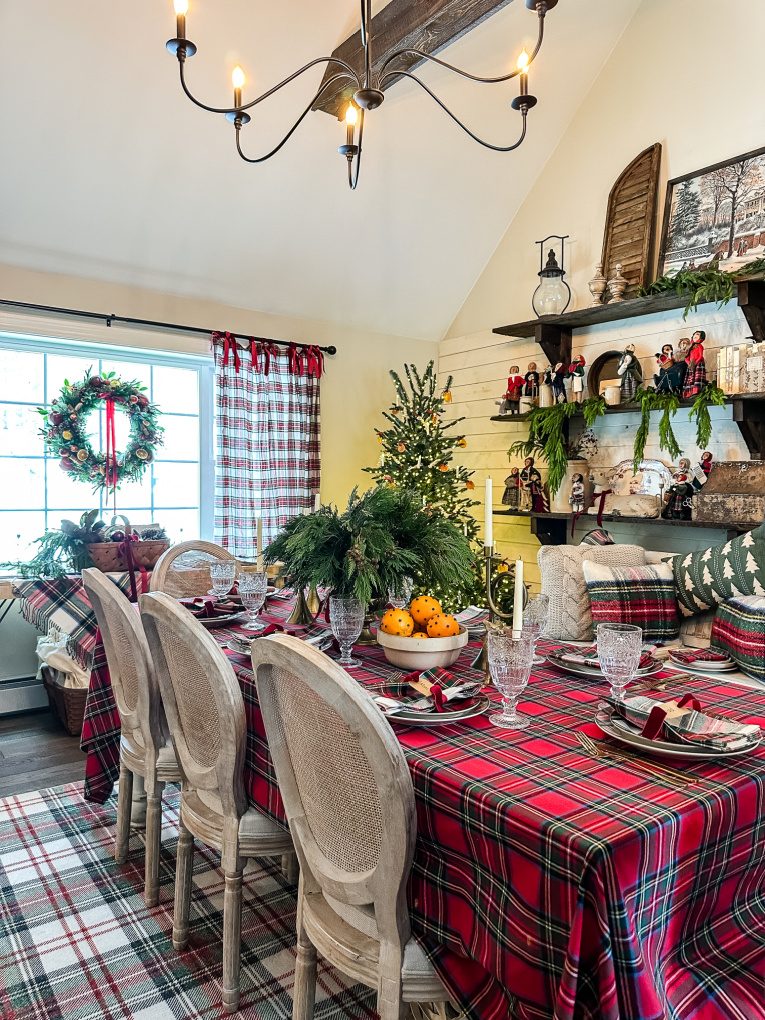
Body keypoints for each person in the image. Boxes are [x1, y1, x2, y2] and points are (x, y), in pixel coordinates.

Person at [682, 329, 707, 399]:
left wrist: (695, 363)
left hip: (698, 364)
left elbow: (700, 356)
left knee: (697, 378)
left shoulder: (699, 346)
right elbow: (686, 358)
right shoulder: (690, 348)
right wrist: (689, 363)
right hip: (691, 365)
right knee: (690, 379)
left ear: (701, 338)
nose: (695, 335)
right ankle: (689, 392)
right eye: (695, 334)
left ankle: (697, 391)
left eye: (698, 334)